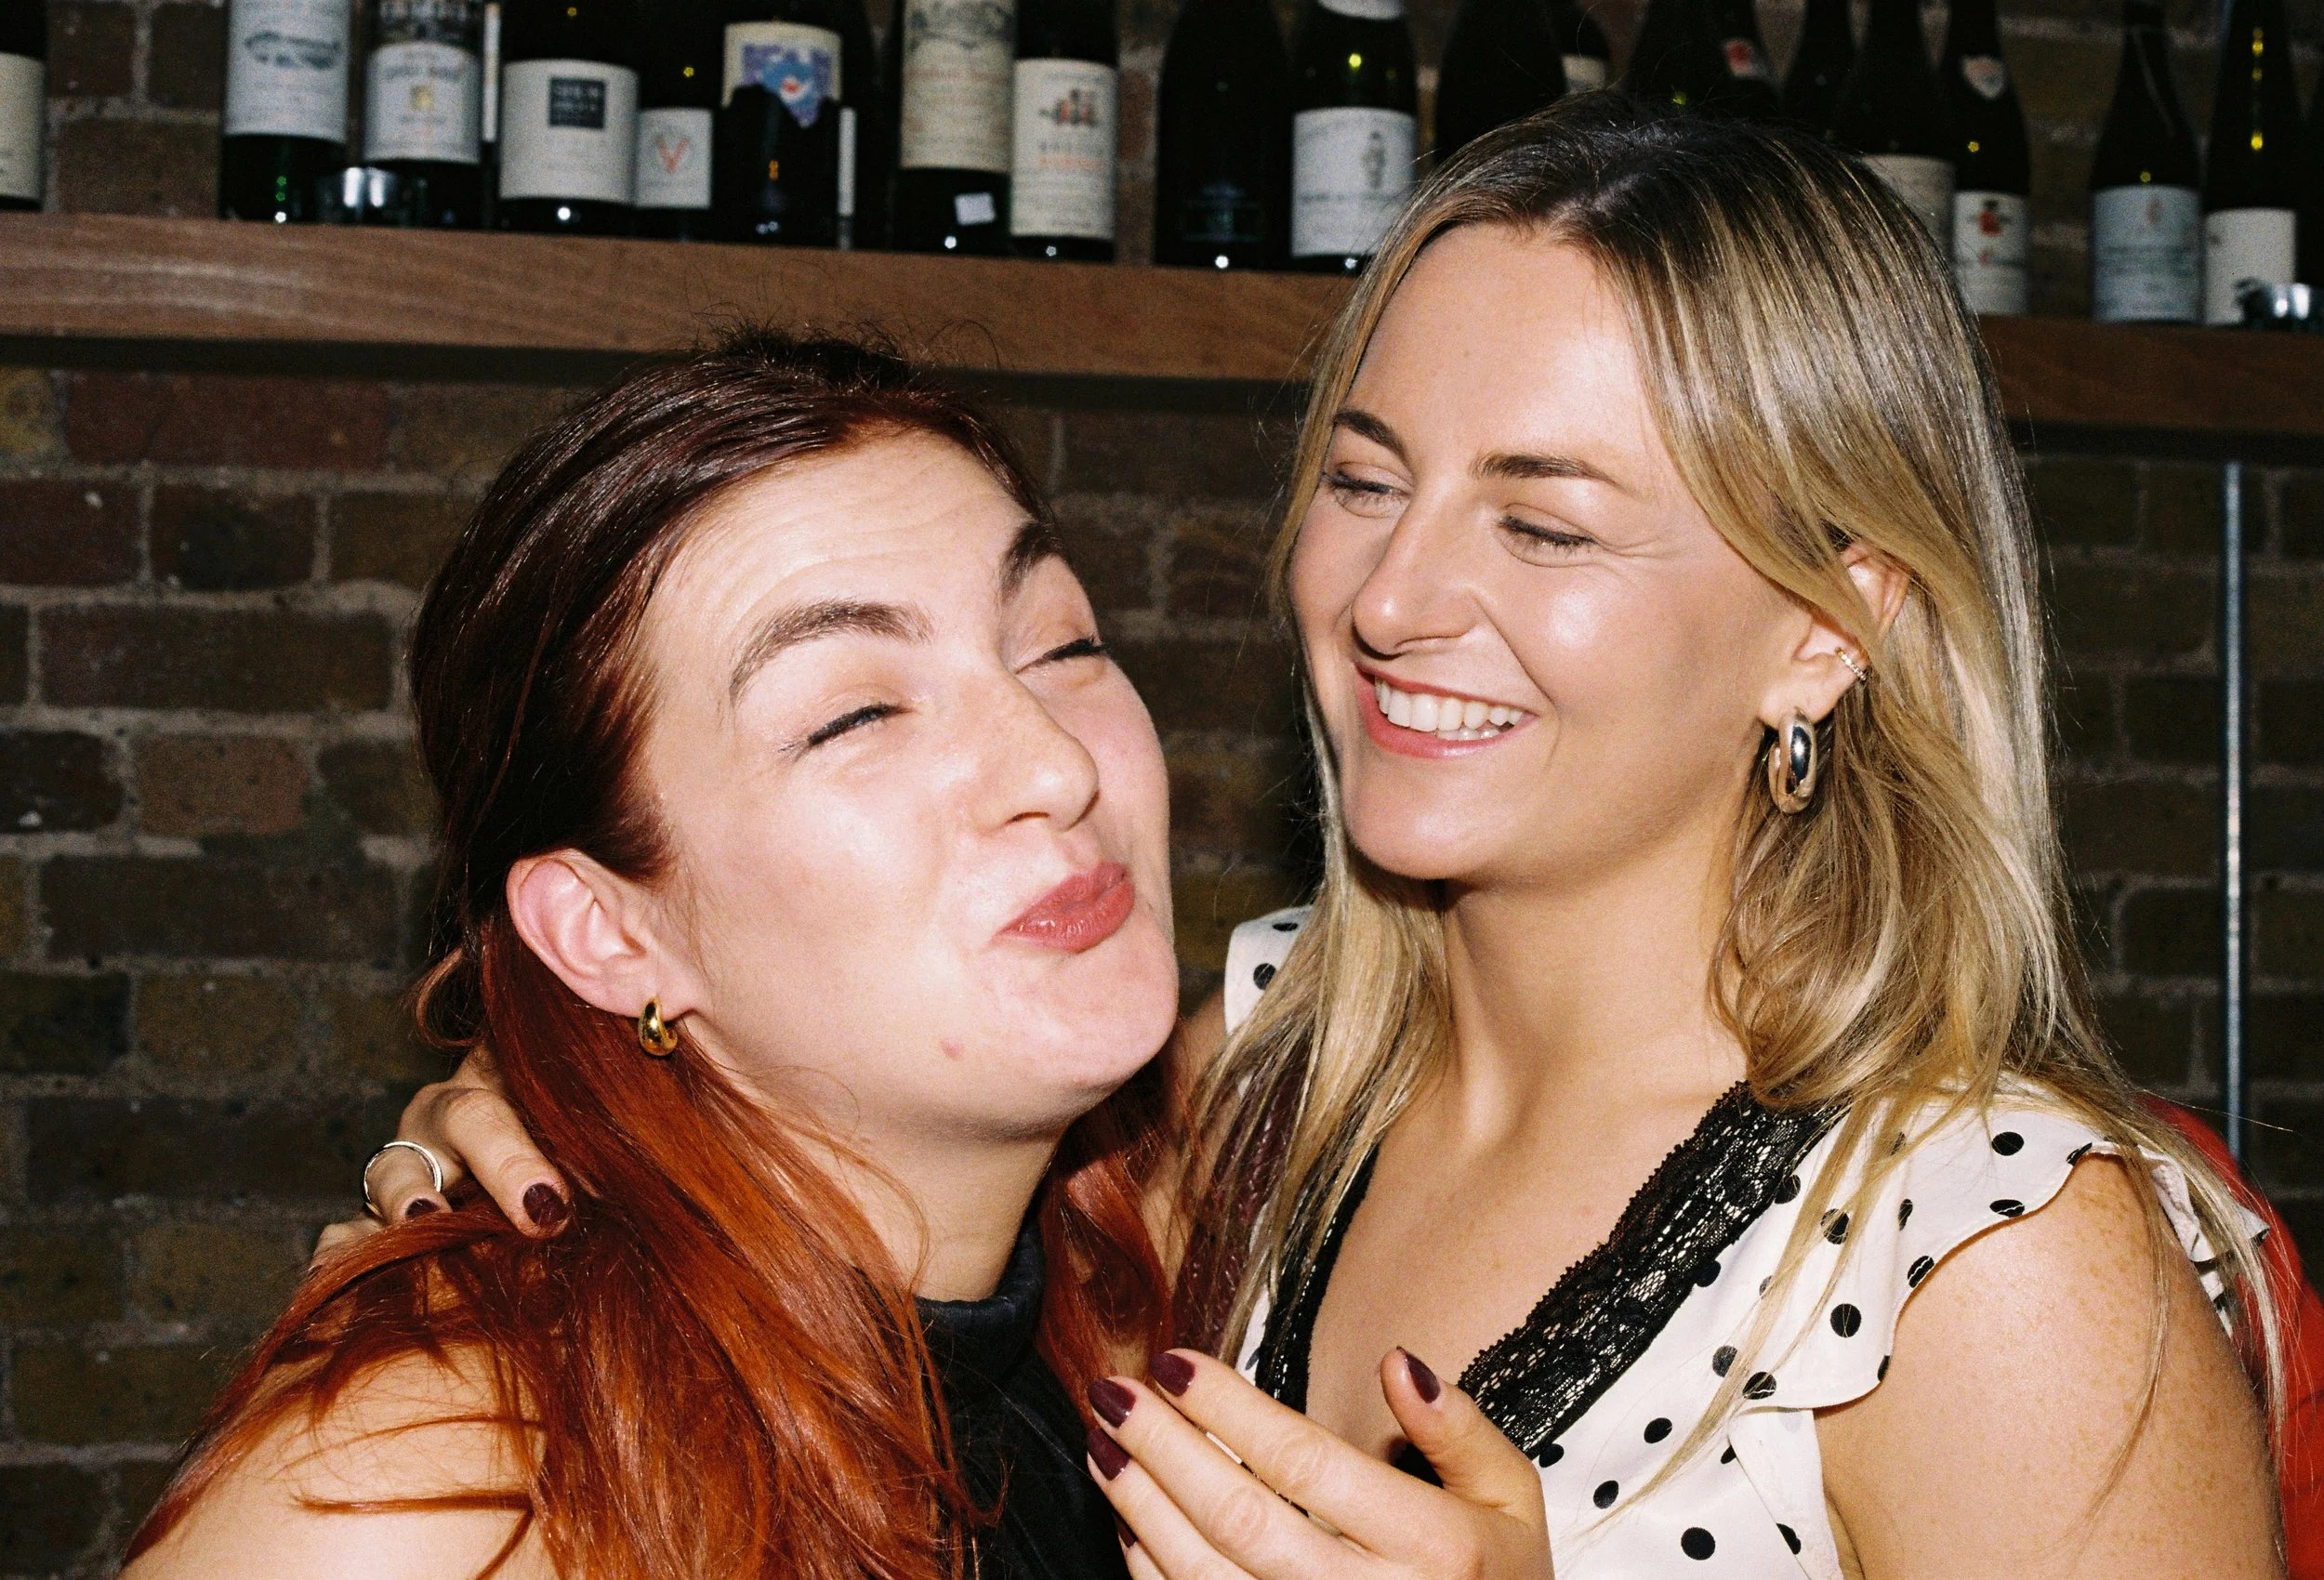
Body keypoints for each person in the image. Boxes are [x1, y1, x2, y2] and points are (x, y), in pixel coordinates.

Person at [361, 104, 2294, 1577]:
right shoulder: (1229, 1100)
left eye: (1542, 523)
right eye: (1366, 480)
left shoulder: (1999, 1263)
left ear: (1824, 627)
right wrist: (569, 1095)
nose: (1393, 595)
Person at [124, 331, 1193, 1580]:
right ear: (610, 932)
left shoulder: (1131, 1303)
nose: (1057, 767)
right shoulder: (422, 1498)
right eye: (856, 712)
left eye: (1060, 644)